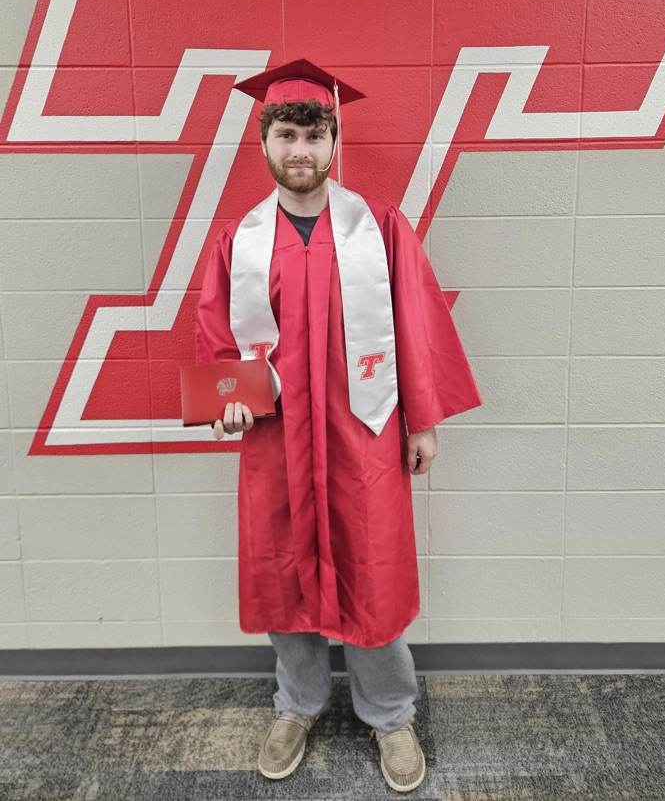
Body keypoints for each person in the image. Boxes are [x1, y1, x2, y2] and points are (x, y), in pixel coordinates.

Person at [195, 58, 481, 793]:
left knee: (374, 569)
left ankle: (391, 714)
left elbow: (417, 326)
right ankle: (297, 704)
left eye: (313, 135)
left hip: (364, 438)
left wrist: (424, 422)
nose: (300, 151)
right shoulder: (239, 240)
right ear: (265, 143)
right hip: (277, 444)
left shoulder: (378, 228)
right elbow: (218, 346)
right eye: (287, 135)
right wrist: (227, 397)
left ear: (334, 140)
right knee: (280, 574)